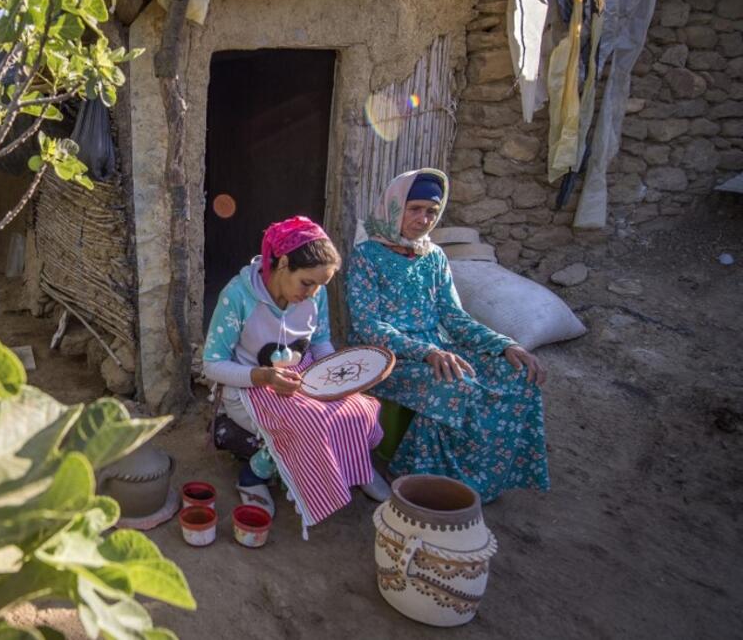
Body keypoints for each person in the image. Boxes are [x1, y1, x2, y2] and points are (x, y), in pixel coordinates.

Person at [346, 168, 550, 503]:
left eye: (431, 211)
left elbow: (454, 318)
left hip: (438, 348)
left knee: (516, 375)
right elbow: (369, 326)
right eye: (415, 209)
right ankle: (412, 473)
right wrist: (425, 352)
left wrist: (505, 345)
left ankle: (480, 479)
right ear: (395, 207)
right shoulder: (367, 257)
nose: (424, 219)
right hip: (384, 356)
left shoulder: (434, 257)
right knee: (453, 384)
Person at [203, 216, 390, 535]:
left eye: (320, 285)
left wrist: (337, 378)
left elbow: (319, 341)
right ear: (284, 263)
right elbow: (212, 363)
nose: (313, 292)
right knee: (307, 424)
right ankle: (254, 474)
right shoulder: (237, 296)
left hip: (301, 377)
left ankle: (356, 465)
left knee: (358, 407)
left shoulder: (315, 295)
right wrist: (264, 377)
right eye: (307, 283)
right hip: (249, 386)